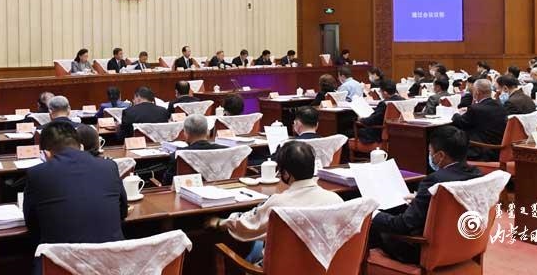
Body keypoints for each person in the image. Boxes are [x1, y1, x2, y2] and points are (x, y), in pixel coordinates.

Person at [206, 141, 343, 263]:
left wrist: (220, 222)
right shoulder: (336, 200)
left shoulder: (278, 204)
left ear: (286, 174)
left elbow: (246, 225)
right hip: (324, 267)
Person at [24, 121, 127, 275]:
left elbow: (31, 223)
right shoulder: (109, 166)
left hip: (60, 266)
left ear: (46, 154)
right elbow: (122, 212)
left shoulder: (36, 174)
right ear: (81, 146)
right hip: (111, 264)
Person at [369, 125, 482, 264]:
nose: (430, 156)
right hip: (464, 243)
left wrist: (373, 214)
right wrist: (422, 199)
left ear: (440, 156)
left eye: (430, 152)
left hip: (426, 250)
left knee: (372, 225)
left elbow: (403, 225)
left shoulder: (434, 181)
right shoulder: (477, 174)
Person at [451, 79, 507, 161]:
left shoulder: (475, 109)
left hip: (480, 151)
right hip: (497, 150)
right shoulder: (500, 106)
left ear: (477, 92)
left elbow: (461, 122)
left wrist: (455, 113)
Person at [162, 115, 226, 184]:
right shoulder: (225, 151)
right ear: (208, 132)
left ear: (186, 134)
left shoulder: (179, 155)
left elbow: (167, 183)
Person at [358, 80, 403, 144]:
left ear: (385, 92)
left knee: (354, 131)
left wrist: (361, 119)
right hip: (398, 132)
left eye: (380, 91)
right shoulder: (403, 100)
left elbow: (373, 120)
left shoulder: (384, 104)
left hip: (380, 132)